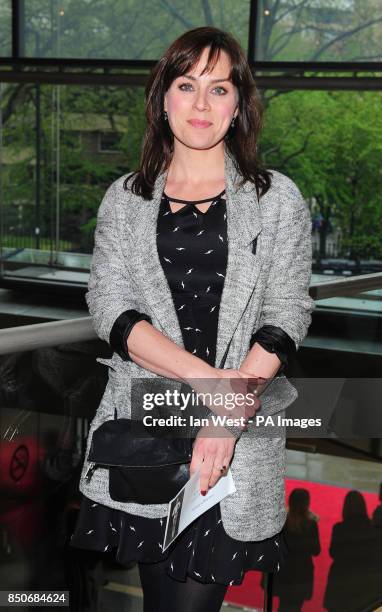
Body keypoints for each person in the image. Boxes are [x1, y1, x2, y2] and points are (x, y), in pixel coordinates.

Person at [70, 26, 314, 612]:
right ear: (163, 99)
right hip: (149, 432)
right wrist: (208, 385)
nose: (201, 104)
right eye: (186, 85)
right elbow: (111, 308)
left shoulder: (276, 199)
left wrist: (226, 415)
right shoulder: (125, 200)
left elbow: (287, 311)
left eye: (219, 88)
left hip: (237, 439)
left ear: (239, 106)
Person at [269, 488, 321, 612]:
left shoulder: (282, 521)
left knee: (283, 605)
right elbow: (316, 550)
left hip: (284, 572)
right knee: (296, 607)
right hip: (301, 574)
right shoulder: (310, 525)